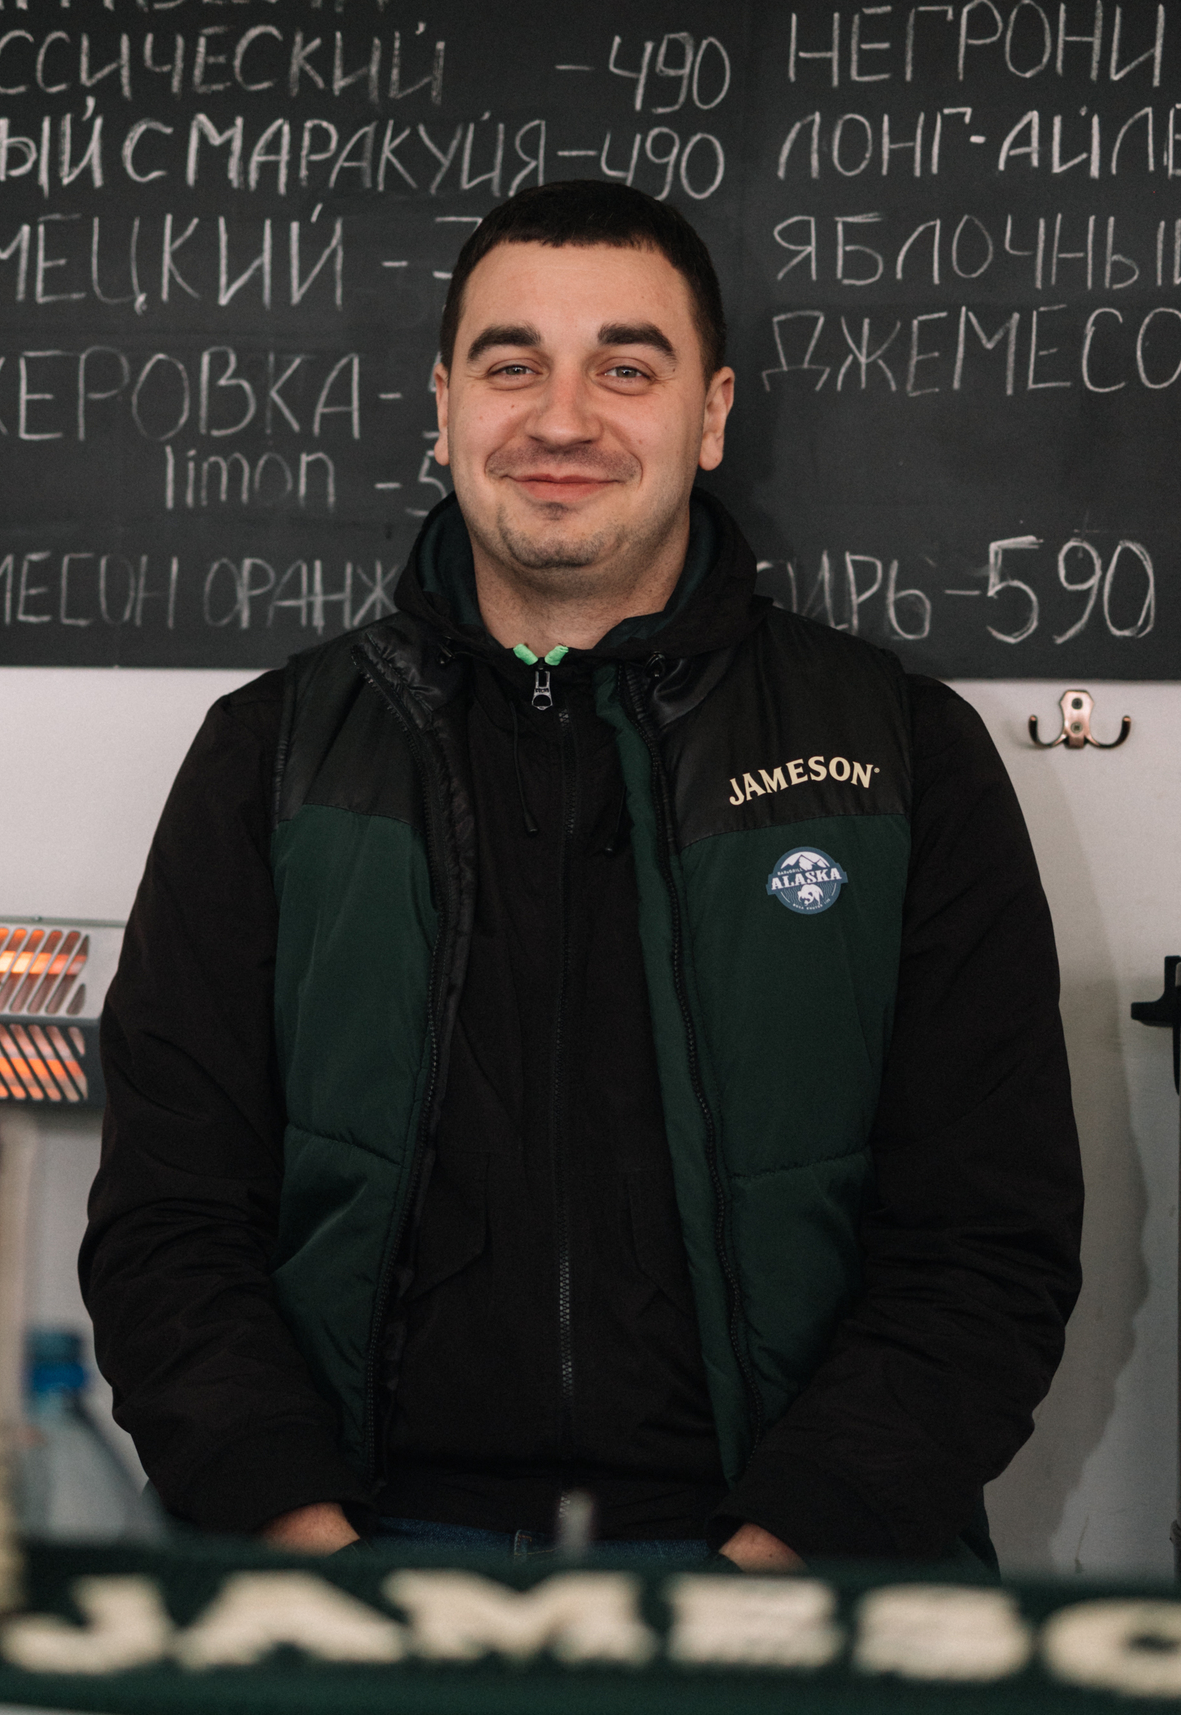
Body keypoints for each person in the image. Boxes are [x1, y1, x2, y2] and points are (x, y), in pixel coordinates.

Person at [82, 181, 1083, 1571]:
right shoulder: (272, 757)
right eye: (513, 366)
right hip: (360, 1552)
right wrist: (316, 1560)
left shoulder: (906, 759)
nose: (562, 420)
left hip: (787, 1561)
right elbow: (169, 1224)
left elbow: (986, 1244)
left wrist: (765, 1579)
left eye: (625, 367)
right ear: (444, 408)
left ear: (711, 416)